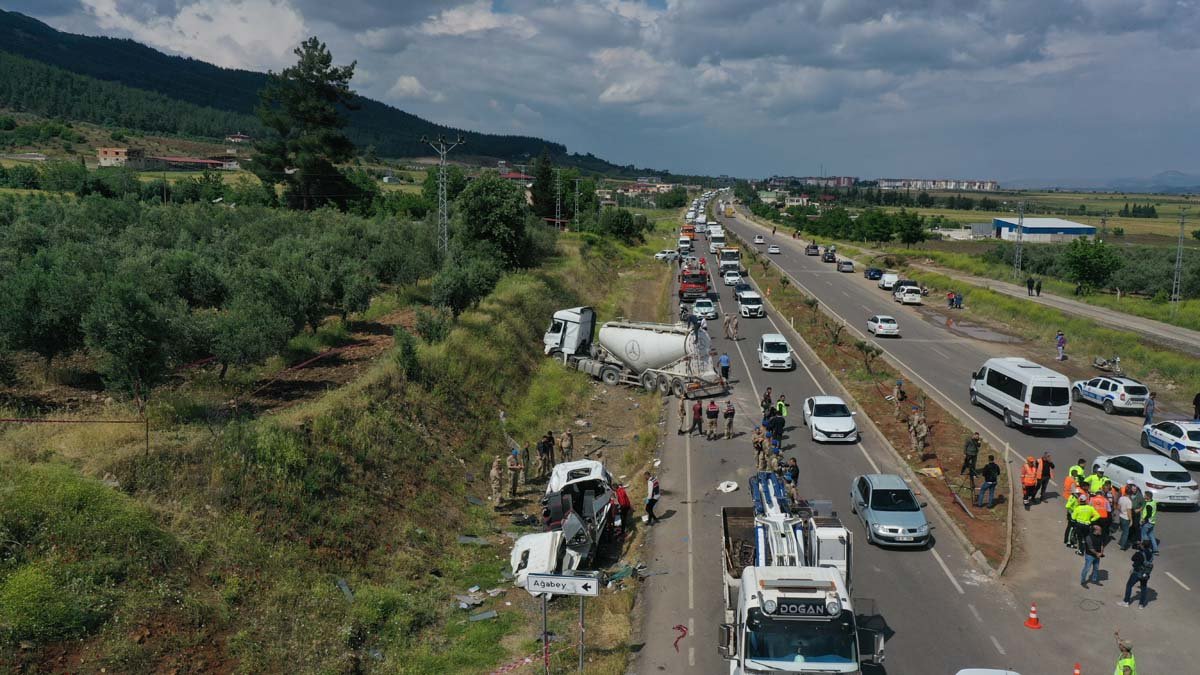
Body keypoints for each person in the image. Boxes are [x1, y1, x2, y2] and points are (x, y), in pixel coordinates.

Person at [1117, 483, 1134, 550]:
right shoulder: (1129, 501)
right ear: (1130, 494)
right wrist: (1131, 520)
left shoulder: (1121, 498)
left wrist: (1122, 511)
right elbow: (1129, 512)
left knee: (1123, 530)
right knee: (1126, 533)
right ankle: (1122, 545)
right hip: (1126, 518)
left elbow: (1118, 507)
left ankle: (1120, 542)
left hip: (1121, 516)